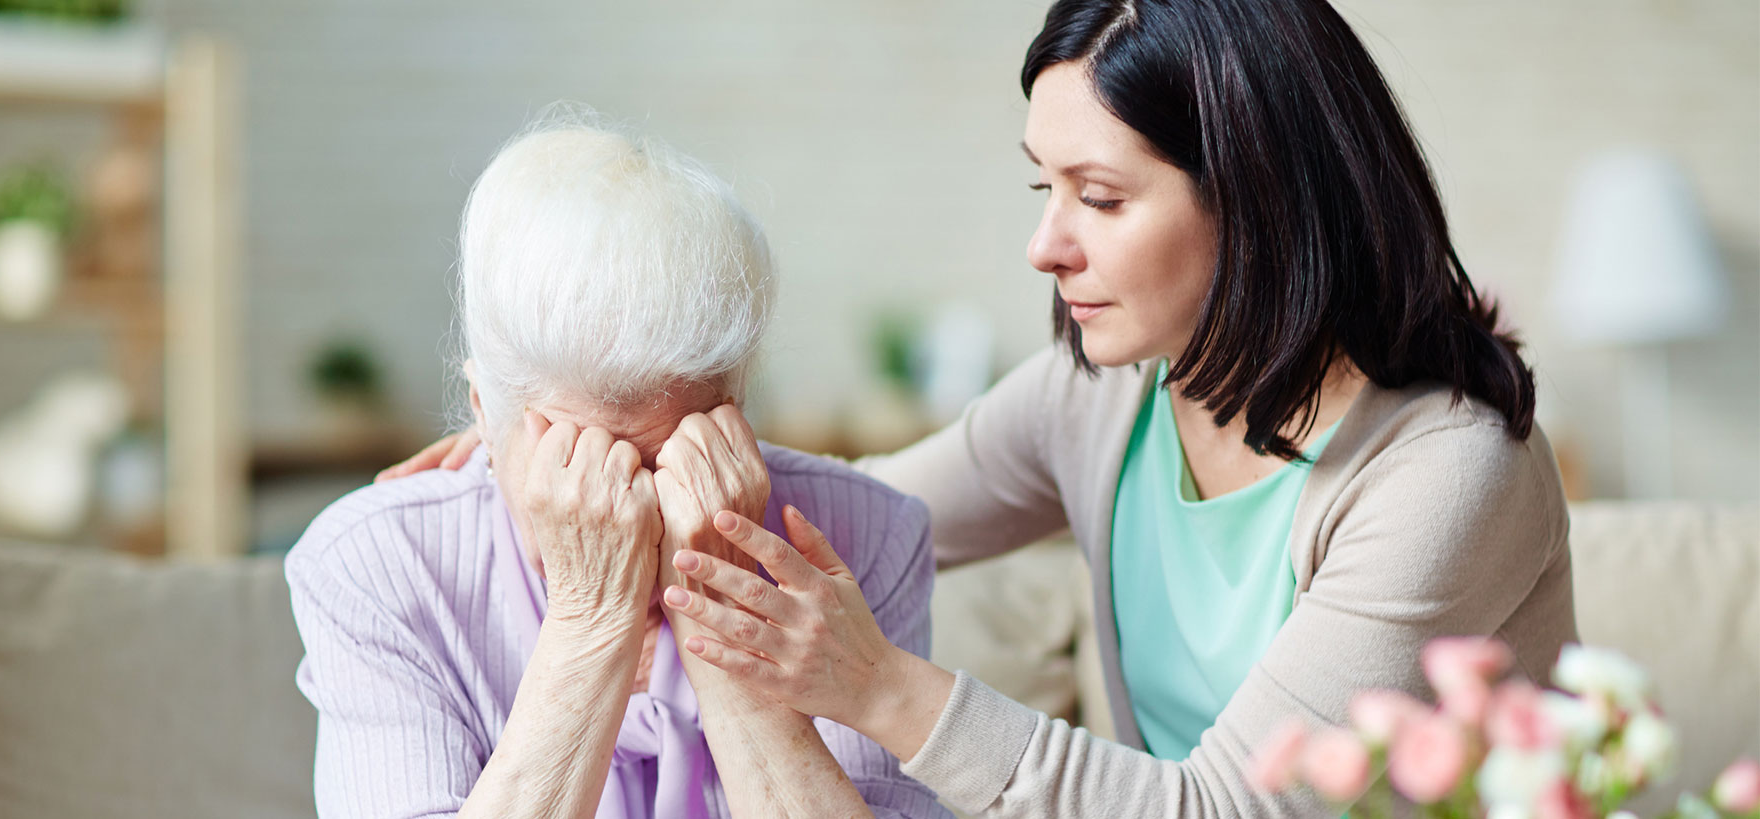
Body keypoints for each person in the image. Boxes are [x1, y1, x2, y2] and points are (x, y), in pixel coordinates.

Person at [382, 1, 1577, 816]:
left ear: (1260, 202)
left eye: (1097, 197)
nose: (1042, 244)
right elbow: (846, 513)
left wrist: (875, 687)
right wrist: (567, 459)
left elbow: (1225, 807)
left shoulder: (1444, 474)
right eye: (1040, 184)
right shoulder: (1101, 396)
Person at [288, 114, 950, 818]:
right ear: (483, 410)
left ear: (737, 407)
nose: (626, 512)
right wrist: (589, 619)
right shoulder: (374, 564)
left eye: (666, 462)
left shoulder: (869, 538)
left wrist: (720, 625)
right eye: (578, 461)